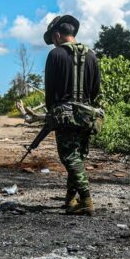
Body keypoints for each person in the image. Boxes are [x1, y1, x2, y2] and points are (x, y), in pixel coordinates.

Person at [44, 15, 101, 216]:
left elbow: (50, 91)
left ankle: (86, 200)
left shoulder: (55, 55)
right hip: (87, 114)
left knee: (69, 157)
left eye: (53, 39)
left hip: (65, 114)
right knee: (78, 157)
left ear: (57, 35)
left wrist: (52, 113)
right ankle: (70, 200)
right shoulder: (92, 55)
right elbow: (96, 90)